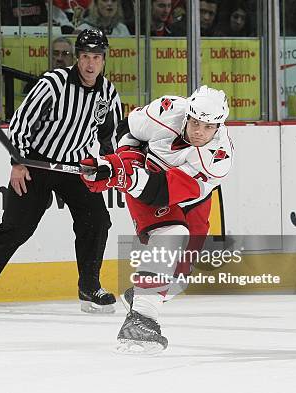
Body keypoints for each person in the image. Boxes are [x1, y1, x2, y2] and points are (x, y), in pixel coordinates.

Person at [0, 29, 122, 313]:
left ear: (104, 60)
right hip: (35, 162)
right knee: (19, 226)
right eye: (86, 57)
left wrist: (108, 166)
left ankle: (89, 286)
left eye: (97, 58)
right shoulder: (54, 83)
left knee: (97, 220)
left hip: (75, 165)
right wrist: (17, 162)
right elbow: (21, 122)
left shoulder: (107, 94)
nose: (91, 64)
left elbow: (109, 137)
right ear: (78, 58)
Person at [80, 85, 233, 353]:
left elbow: (162, 191)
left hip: (185, 195)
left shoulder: (218, 158)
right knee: (171, 234)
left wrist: (122, 174)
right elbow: (126, 130)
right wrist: (121, 164)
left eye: (207, 127)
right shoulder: (167, 110)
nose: (198, 131)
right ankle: (141, 321)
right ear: (187, 115)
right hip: (146, 173)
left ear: (218, 127)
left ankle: (142, 295)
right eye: (194, 122)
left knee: (181, 277)